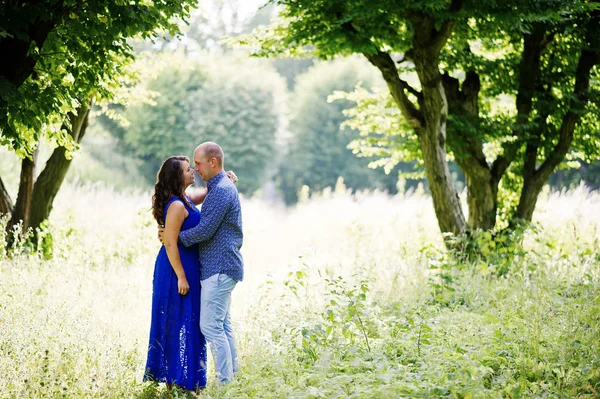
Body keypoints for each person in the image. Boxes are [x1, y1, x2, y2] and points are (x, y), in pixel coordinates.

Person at [174, 142, 244, 384]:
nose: (195, 169)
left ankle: (225, 384)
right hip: (223, 267)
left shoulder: (222, 189)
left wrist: (174, 238)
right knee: (222, 326)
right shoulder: (220, 187)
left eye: (199, 163)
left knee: (211, 327)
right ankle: (232, 379)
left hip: (219, 268)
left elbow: (204, 230)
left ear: (212, 162)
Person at [144, 155, 207, 392]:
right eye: (187, 168)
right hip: (174, 269)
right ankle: (173, 384)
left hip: (186, 266)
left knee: (188, 321)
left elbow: (205, 194)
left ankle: (185, 381)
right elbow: (170, 243)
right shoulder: (178, 205)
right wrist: (181, 276)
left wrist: (225, 180)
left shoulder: (185, 199)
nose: (192, 170)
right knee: (173, 322)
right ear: (177, 176)